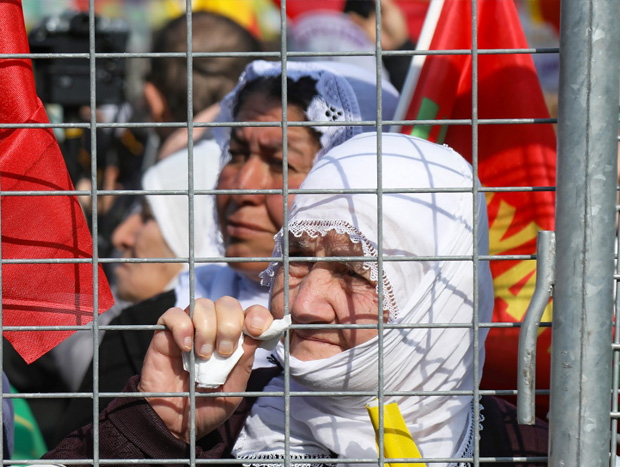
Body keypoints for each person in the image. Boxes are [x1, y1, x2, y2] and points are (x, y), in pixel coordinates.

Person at [45, 133, 557, 467]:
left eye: (357, 270)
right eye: (295, 254)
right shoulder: (222, 425)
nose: (307, 301)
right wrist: (155, 429)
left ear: (437, 297)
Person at [54, 60, 401, 441]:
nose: (242, 187)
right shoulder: (160, 331)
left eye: (280, 163)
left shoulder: (411, 344)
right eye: (235, 154)